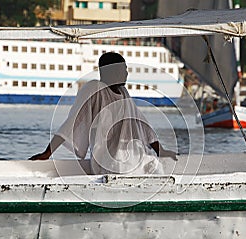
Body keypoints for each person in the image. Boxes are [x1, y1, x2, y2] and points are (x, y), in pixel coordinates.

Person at [29, 52, 177, 175]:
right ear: (111, 71)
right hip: (109, 161)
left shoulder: (123, 93)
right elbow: (73, 122)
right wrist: (47, 153)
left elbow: (142, 125)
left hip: (130, 157)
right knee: (154, 168)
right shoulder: (94, 89)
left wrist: (161, 150)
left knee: (154, 165)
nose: (126, 73)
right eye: (123, 69)